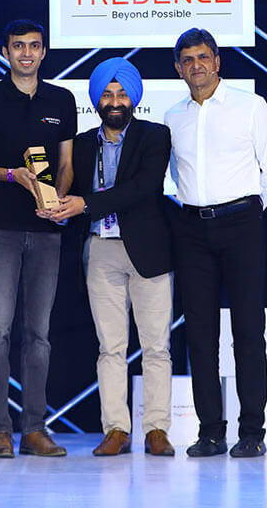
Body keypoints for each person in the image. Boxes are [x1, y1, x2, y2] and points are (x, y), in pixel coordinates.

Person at [42, 57, 175, 457]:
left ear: (133, 98)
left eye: (121, 94)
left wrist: (85, 204)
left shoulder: (155, 136)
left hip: (148, 252)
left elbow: (143, 188)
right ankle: (116, 429)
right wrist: (54, 203)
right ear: (96, 100)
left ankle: (156, 429)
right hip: (100, 250)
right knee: (110, 347)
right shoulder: (82, 144)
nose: (114, 101)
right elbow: (67, 187)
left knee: (156, 347)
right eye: (106, 94)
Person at [0, 19, 76, 458]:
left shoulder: (62, 99)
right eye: (18, 46)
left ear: (44, 52)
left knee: (39, 335)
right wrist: (11, 175)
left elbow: (66, 164)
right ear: (5, 51)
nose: (27, 53)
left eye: (34, 46)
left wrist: (56, 200)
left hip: (46, 231)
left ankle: (35, 430)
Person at [164, 28, 267, 459]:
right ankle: (211, 432)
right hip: (192, 229)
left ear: (217, 62)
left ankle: (252, 431)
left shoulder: (250, 106)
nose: (196, 65)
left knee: (248, 331)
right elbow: (174, 175)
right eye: (187, 60)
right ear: (178, 69)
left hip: (241, 225)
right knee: (200, 335)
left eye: (203, 57)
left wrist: (246, 212)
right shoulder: (172, 116)